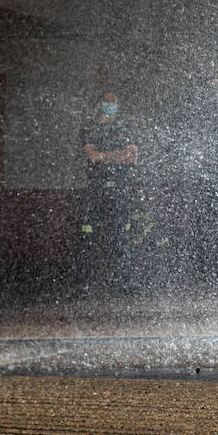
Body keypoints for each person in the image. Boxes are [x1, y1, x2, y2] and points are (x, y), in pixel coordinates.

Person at [78, 92, 138, 292]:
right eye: (108, 102)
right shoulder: (89, 128)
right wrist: (115, 155)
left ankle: (124, 281)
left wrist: (105, 155)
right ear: (100, 104)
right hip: (96, 186)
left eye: (114, 102)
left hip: (120, 187)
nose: (111, 105)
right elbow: (92, 156)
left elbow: (131, 158)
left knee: (123, 233)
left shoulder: (125, 128)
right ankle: (84, 281)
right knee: (87, 232)